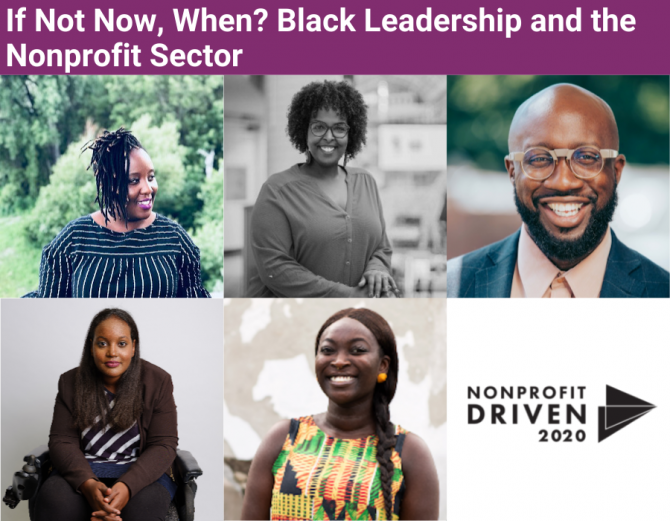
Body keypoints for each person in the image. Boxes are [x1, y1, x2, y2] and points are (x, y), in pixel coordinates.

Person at [447, 84, 669, 298]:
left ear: (616, 171)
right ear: (512, 171)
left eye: (586, 157)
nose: (563, 183)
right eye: (539, 158)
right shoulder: (448, 290)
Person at [241, 308, 439, 520]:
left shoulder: (410, 453)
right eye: (327, 350)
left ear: (383, 365)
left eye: (357, 350)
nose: (339, 361)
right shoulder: (284, 437)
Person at [248, 80, 398, 298]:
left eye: (339, 128)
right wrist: (347, 295)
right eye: (319, 127)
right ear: (304, 131)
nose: (329, 137)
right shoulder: (277, 190)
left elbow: (381, 246)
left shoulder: (366, 182)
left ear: (351, 133)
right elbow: (275, 269)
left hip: (356, 315)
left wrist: (377, 268)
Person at [27, 127, 210, 298]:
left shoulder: (175, 238)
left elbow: (194, 312)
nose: (148, 188)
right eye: (133, 180)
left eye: (151, 177)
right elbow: (48, 312)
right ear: (109, 185)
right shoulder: (72, 240)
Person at [33, 308, 178, 521]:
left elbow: (164, 444)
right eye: (102, 343)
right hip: (84, 470)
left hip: (139, 471)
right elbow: (62, 441)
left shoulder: (158, 381)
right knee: (54, 500)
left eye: (121, 343)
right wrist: (88, 484)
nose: (112, 352)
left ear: (133, 347)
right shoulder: (69, 382)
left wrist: (127, 486)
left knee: (143, 509)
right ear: (91, 346)